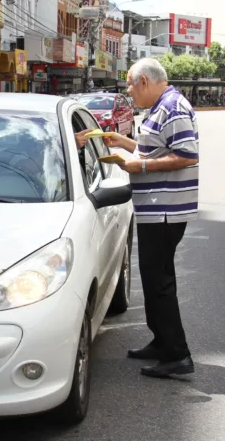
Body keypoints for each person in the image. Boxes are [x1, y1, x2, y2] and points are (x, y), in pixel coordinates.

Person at [75, 58, 198, 378]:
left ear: (144, 80)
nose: (129, 92)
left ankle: (177, 355)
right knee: (152, 278)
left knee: (160, 285)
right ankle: (161, 342)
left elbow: (186, 156)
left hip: (166, 210)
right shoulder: (160, 107)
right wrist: (122, 142)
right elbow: (154, 150)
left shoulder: (173, 108)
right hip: (156, 210)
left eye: (130, 85)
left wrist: (136, 167)